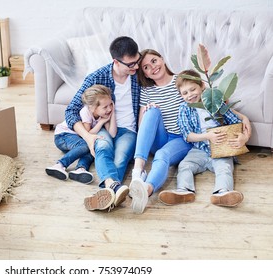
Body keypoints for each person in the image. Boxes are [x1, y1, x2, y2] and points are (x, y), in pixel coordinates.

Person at [64, 36, 142, 211]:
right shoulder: (97, 77)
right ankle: (112, 189)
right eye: (130, 64)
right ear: (116, 61)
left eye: (137, 61)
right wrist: (88, 137)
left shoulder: (139, 75)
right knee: (103, 147)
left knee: (120, 158)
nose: (136, 67)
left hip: (128, 130)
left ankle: (107, 191)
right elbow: (71, 110)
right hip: (104, 126)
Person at [158, 69, 250, 207]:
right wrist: (207, 136)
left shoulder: (215, 101)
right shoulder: (184, 109)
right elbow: (187, 135)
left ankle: (222, 193)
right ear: (181, 96)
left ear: (202, 86)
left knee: (224, 168)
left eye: (192, 89)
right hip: (199, 148)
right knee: (184, 166)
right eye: (185, 93)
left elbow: (236, 122)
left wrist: (243, 138)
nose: (190, 95)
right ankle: (184, 191)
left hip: (221, 148)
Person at [128, 49, 193, 214]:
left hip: (181, 138)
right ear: (146, 75)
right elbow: (143, 127)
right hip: (159, 138)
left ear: (162, 60)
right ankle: (138, 172)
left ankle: (146, 190)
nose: (153, 67)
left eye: (154, 61)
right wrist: (147, 110)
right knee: (152, 111)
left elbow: (205, 94)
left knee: (162, 156)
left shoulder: (180, 80)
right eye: (146, 68)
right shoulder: (147, 90)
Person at [45, 85, 117, 184]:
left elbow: (112, 134)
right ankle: (60, 165)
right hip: (63, 136)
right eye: (105, 107)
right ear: (92, 108)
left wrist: (113, 114)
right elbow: (86, 135)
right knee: (86, 144)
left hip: (76, 140)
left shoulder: (104, 114)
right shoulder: (86, 112)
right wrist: (101, 122)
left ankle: (80, 169)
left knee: (93, 148)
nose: (109, 109)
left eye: (111, 105)